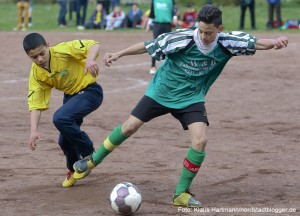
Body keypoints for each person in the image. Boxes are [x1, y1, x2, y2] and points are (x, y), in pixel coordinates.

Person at [72, 4, 288, 207]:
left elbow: (256, 43)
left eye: (209, 33)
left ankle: (181, 194)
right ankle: (93, 160)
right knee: (129, 127)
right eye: (201, 31)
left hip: (191, 98)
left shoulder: (227, 41)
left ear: (219, 29)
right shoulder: (182, 38)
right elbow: (149, 46)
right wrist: (118, 54)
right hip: (161, 91)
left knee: (200, 140)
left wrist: (276, 41)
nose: (204, 36)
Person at [23, 33, 104, 188]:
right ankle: (74, 169)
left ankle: (88, 155)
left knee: (60, 118)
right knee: (63, 140)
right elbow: (35, 104)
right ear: (28, 56)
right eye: (34, 57)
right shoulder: (36, 73)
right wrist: (34, 130)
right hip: (71, 97)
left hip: (90, 92)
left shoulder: (63, 50)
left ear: (47, 45)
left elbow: (94, 44)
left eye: (42, 53)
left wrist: (89, 59)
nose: (39, 59)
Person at [147, 0, 175, 75]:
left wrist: (175, 17)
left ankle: (167, 67)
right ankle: (153, 66)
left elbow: (173, 10)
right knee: (155, 44)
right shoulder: (155, 1)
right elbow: (152, 13)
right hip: (157, 25)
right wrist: (148, 23)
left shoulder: (170, 0)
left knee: (168, 45)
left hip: (167, 25)